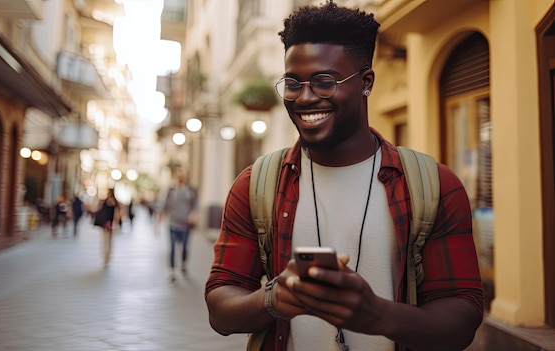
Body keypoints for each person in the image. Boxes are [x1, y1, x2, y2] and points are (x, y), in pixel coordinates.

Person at [204, 2, 484, 351]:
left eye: (324, 82)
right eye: (293, 83)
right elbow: (220, 307)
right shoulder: (256, 185)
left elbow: (463, 318)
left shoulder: (434, 185)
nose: (304, 98)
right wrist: (274, 298)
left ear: (366, 82)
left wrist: (377, 315)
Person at [159, 167, 198, 282]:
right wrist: (158, 222)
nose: (181, 176)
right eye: (179, 174)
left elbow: (196, 205)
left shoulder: (191, 190)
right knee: (172, 248)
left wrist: (194, 215)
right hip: (173, 224)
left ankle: (183, 264)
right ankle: (171, 271)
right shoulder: (171, 189)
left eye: (183, 174)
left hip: (186, 225)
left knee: (185, 247)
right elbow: (164, 206)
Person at [93, 189, 120, 265]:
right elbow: (117, 215)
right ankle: (108, 257)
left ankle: (104, 257)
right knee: (110, 242)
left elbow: (98, 210)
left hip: (104, 225)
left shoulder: (104, 202)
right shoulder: (115, 202)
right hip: (111, 225)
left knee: (104, 241)